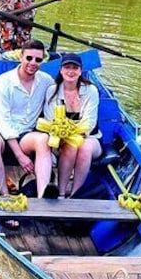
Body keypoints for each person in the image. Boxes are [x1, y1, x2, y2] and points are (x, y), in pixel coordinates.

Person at [0, 39, 57, 198]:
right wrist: (20, 156)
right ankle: (5, 196)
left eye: (38, 60)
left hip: (24, 133)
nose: (33, 63)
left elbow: (54, 107)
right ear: (21, 57)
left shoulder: (46, 81)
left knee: (43, 140)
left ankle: (43, 196)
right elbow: (3, 121)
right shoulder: (4, 81)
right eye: (29, 58)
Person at [42, 53, 102, 198]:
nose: (71, 71)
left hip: (89, 138)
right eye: (67, 67)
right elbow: (50, 121)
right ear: (61, 70)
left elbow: (89, 123)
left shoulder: (90, 91)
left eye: (75, 68)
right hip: (59, 138)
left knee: (84, 147)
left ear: (80, 71)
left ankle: (75, 194)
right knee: (70, 146)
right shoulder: (53, 91)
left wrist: (74, 135)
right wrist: (61, 136)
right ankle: (61, 193)